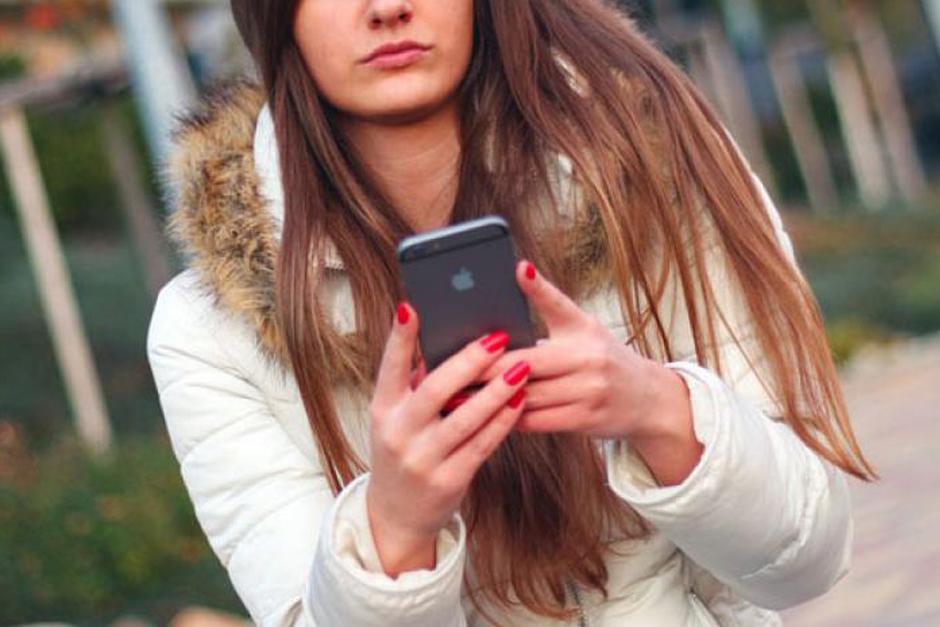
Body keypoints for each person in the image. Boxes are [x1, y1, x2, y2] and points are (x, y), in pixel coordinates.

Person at [146, 1, 876, 625]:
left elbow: (807, 559)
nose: (388, 6)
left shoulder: (660, 175)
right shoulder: (208, 331)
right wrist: (393, 532)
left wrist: (661, 411)